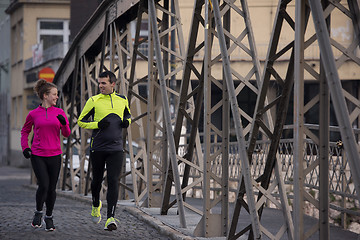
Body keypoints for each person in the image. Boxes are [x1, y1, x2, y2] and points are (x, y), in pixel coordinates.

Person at [77, 71, 131, 231]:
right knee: (96, 181)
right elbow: (81, 121)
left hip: (116, 148)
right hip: (98, 148)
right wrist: (97, 125)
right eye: (99, 83)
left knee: (113, 181)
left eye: (103, 83)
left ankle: (110, 218)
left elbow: (128, 114)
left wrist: (126, 122)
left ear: (113, 84)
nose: (100, 86)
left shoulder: (122, 99)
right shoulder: (93, 100)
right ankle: (95, 204)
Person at [21, 79, 71, 231]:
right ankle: (38, 212)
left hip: (55, 155)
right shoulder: (33, 114)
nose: (57, 97)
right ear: (45, 96)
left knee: (51, 189)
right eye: (54, 94)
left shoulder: (60, 112)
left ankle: (48, 216)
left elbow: (67, 134)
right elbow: (25, 131)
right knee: (43, 185)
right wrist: (25, 147)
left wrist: (64, 123)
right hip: (38, 154)